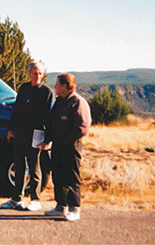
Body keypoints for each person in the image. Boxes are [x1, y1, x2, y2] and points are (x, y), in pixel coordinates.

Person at [0, 60, 54, 211]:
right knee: (19, 165)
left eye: (40, 74)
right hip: (21, 132)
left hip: (37, 134)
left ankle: (35, 199)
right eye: (34, 73)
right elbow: (16, 110)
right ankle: (17, 198)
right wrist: (11, 128)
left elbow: (49, 118)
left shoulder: (47, 92)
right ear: (29, 73)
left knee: (34, 167)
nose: (37, 76)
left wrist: (48, 139)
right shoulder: (24, 89)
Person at [44, 73, 91, 221]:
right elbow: (52, 123)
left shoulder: (77, 102)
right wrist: (47, 140)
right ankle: (60, 206)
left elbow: (83, 127)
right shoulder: (59, 101)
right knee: (58, 176)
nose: (55, 87)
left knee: (72, 176)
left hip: (72, 146)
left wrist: (67, 141)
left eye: (57, 84)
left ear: (65, 86)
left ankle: (74, 208)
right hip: (57, 146)